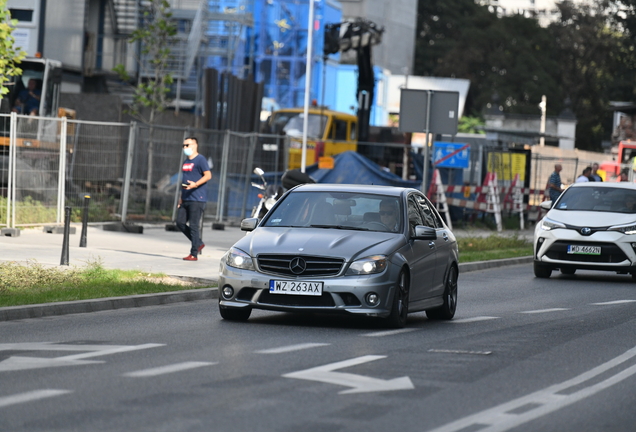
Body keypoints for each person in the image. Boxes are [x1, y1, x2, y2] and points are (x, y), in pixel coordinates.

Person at [176, 136, 212, 261]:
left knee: (194, 225)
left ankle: (194, 253)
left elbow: (208, 175)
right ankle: (198, 243)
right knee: (179, 222)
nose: (185, 147)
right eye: (184, 145)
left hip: (197, 198)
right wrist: (181, 198)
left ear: (195, 145)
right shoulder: (186, 162)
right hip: (186, 198)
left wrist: (195, 184)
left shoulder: (200, 160)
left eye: (188, 145)